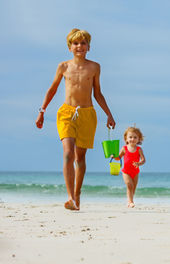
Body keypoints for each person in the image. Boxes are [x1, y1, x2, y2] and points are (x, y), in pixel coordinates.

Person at [35, 28, 116, 210]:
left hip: (87, 114)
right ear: (70, 47)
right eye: (75, 43)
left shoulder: (95, 67)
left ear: (88, 46)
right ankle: (70, 197)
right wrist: (42, 111)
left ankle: (77, 194)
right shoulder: (63, 67)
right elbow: (52, 89)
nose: (79, 46)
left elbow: (98, 93)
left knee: (80, 158)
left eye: (83, 43)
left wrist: (109, 114)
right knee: (67, 153)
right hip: (66, 114)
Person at [114, 126, 146, 208]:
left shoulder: (139, 149)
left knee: (133, 187)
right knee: (129, 185)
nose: (133, 139)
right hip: (126, 171)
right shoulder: (124, 148)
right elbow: (118, 157)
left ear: (139, 139)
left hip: (135, 171)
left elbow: (143, 160)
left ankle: (129, 201)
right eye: (130, 137)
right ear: (126, 139)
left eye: (135, 137)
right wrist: (113, 156)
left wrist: (139, 163)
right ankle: (131, 201)